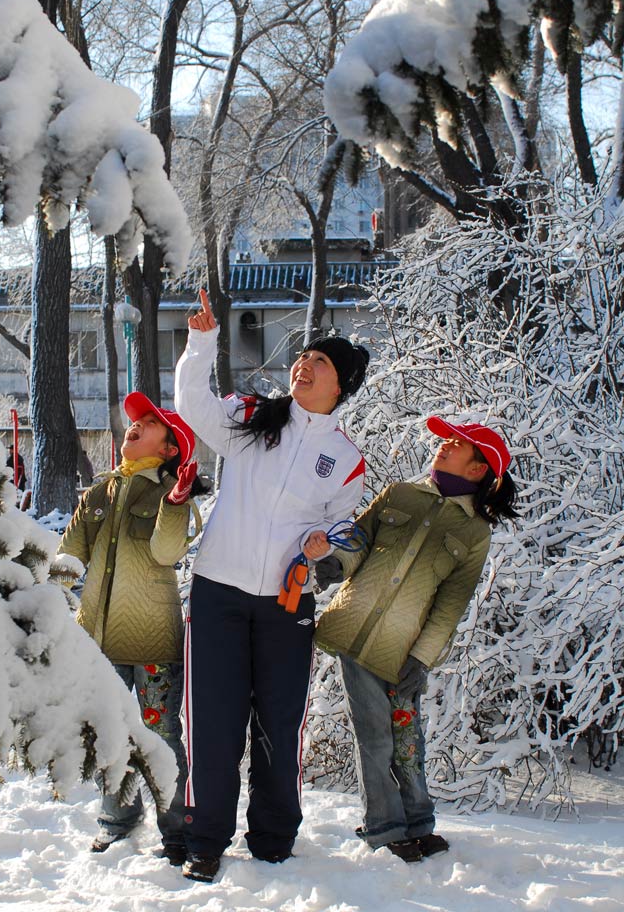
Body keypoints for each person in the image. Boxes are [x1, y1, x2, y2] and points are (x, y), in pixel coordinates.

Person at [174, 289, 370, 883]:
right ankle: (205, 837)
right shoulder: (253, 419)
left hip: (287, 604)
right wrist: (201, 342)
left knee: (281, 721)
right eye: (304, 356)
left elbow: (342, 522)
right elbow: (191, 404)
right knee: (212, 719)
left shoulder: (346, 459)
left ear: (341, 385)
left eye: (322, 362)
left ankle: (274, 838)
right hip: (218, 593)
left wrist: (322, 544)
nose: (304, 365)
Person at [313, 417, 519, 863]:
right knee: (375, 734)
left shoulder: (473, 532)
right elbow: (358, 542)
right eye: (444, 440)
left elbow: (451, 604)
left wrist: (423, 659)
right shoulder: (399, 494)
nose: (443, 446)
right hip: (354, 632)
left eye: (456, 444)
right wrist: (334, 564)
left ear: (479, 469)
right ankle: (385, 826)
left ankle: (419, 822)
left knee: (407, 735)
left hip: (403, 649)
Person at [51, 392, 204, 867]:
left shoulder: (169, 496)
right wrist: (48, 596)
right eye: (133, 422)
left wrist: (177, 501)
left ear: (170, 449)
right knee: (107, 731)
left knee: (160, 732)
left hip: (152, 638)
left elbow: (165, 552)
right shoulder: (98, 492)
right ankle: (117, 818)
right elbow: (69, 555)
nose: (133, 426)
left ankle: (176, 826)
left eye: (148, 424)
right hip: (95, 639)